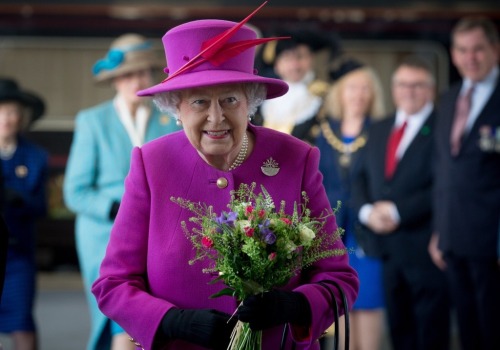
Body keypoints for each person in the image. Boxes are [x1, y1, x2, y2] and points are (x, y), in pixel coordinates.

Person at [91, 5, 360, 350]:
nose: (215, 118)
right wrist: (171, 321)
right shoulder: (151, 164)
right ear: (176, 108)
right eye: (200, 102)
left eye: (230, 100)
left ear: (250, 102)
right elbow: (112, 283)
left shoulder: (296, 158)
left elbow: (339, 278)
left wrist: (296, 305)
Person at [63, 33, 181, 350]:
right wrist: (116, 208)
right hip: (103, 236)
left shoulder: (172, 120)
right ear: (115, 79)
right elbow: (74, 191)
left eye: (142, 72)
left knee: (154, 320)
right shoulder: (92, 121)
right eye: (127, 74)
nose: (136, 80)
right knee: (121, 317)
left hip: (159, 235)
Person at [353, 57, 451, 350]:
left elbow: (444, 185)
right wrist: (367, 211)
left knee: (431, 333)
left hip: (425, 248)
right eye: (402, 84)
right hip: (385, 250)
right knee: (399, 332)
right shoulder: (380, 127)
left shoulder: (443, 127)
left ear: (430, 90)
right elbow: (359, 176)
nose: (409, 91)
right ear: (394, 89)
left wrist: (398, 211)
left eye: (417, 85)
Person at [429, 17, 500, 350]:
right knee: (467, 330)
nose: (470, 58)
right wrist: (439, 231)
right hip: (453, 239)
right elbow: (444, 169)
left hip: (493, 242)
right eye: (462, 50)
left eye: (478, 49)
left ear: (495, 50)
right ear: (454, 54)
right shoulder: (449, 97)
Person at [309, 59, 386, 350]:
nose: (359, 94)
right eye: (353, 87)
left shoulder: (380, 130)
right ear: (340, 92)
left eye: (366, 88)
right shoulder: (322, 132)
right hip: (333, 235)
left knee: (369, 309)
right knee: (341, 320)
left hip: (368, 235)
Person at [0, 78, 48, 350]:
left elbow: (41, 207)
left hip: (17, 253)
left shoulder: (35, 157)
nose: (6, 118)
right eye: (0, 111)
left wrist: (17, 199)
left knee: (23, 325)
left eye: (12, 111)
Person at [254, 28, 338, 136]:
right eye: (288, 58)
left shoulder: (325, 97)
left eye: (301, 57)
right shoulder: (261, 97)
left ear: (311, 59)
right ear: (277, 64)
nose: (295, 65)